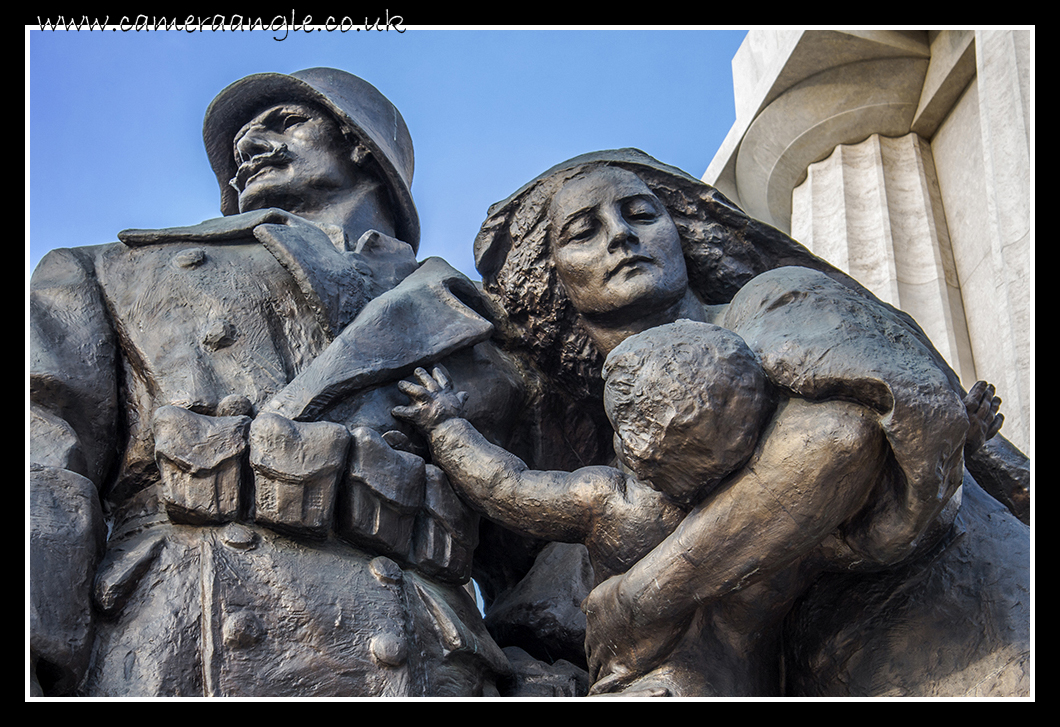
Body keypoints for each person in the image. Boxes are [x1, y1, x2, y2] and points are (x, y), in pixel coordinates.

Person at [29, 68, 523, 697]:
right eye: (242, 139)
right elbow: (42, 463)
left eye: (285, 121)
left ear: (361, 145)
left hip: (427, 652)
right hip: (182, 632)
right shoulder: (107, 272)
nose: (249, 145)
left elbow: (546, 535)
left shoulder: (483, 324)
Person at [471, 148, 1030, 696]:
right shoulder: (617, 477)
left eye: (642, 214)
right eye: (583, 232)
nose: (621, 235)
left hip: (974, 623)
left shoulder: (774, 301)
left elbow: (848, 435)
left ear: (684, 234)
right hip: (840, 670)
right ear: (548, 280)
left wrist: (639, 599)